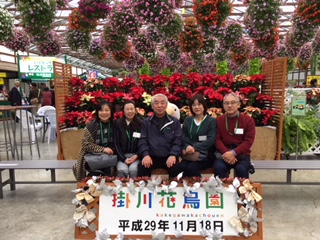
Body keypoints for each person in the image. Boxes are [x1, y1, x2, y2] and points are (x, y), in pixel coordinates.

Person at [138, 94, 182, 179]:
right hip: (151, 156)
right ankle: (144, 191)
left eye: (162, 103)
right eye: (156, 103)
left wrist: (173, 154)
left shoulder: (174, 122)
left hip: (169, 156)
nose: (159, 105)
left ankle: (173, 191)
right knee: (142, 167)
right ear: (152, 106)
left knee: (176, 168)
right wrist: (145, 154)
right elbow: (143, 141)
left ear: (166, 105)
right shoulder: (146, 122)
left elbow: (178, 140)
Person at [214, 92, 255, 180]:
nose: (229, 105)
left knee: (241, 169)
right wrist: (227, 153)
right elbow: (217, 140)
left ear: (239, 104)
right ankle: (220, 193)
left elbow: (248, 141)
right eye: (226, 103)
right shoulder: (219, 120)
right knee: (218, 168)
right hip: (223, 154)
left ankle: (242, 193)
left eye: (233, 102)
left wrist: (234, 153)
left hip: (242, 154)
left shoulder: (248, 120)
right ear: (223, 106)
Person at [73, 100, 117, 182]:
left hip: (110, 156)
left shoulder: (115, 125)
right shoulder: (91, 126)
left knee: (110, 168)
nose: (104, 113)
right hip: (91, 156)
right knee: (96, 173)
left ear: (111, 112)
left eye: (107, 110)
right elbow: (85, 144)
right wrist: (102, 149)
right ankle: (93, 190)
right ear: (97, 112)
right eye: (101, 110)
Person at [179, 94, 216, 177]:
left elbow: (211, 140)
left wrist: (194, 147)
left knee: (191, 167)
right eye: (194, 105)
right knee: (181, 166)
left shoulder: (211, 121)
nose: (196, 107)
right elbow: (183, 136)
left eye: (199, 104)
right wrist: (187, 146)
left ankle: (200, 186)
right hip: (190, 154)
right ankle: (186, 187)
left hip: (205, 156)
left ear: (204, 105)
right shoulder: (188, 120)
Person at [114, 100, 142, 178]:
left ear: (135, 110)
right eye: (127, 109)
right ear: (123, 111)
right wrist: (123, 159)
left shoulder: (141, 124)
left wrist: (137, 155)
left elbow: (143, 143)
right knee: (122, 170)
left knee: (133, 170)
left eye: (132, 109)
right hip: (122, 156)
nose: (130, 111)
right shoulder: (118, 124)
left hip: (136, 156)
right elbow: (116, 144)